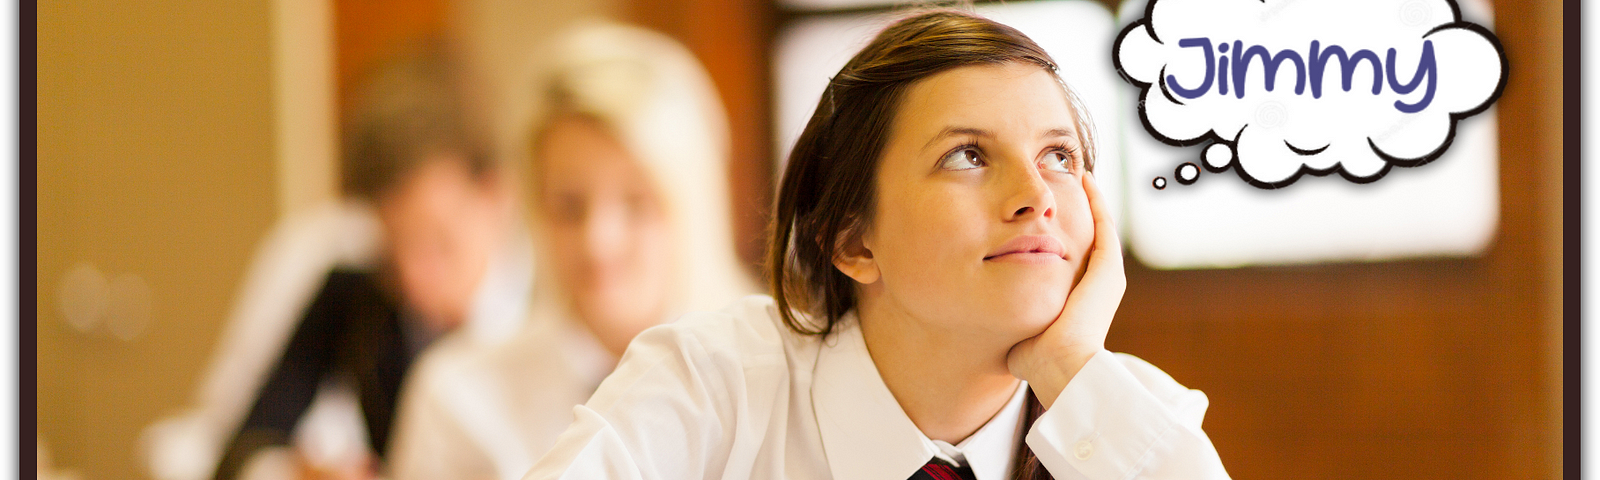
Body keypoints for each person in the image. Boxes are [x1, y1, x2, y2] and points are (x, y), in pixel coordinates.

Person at [521, 10, 1229, 480]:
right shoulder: (717, 385)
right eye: (968, 157)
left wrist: (1072, 365)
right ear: (853, 240)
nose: (1036, 196)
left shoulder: (1125, 414)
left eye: (1060, 157)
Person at [386, 21, 756, 480]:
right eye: (568, 207)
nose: (598, 242)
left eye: (637, 204)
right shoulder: (457, 396)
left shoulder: (772, 379)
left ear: (694, 203)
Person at [205, 41, 533, 480]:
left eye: (438, 244)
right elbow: (244, 448)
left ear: (496, 195)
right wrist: (294, 473)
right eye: (393, 247)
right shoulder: (357, 295)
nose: (414, 279)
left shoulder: (553, 313)